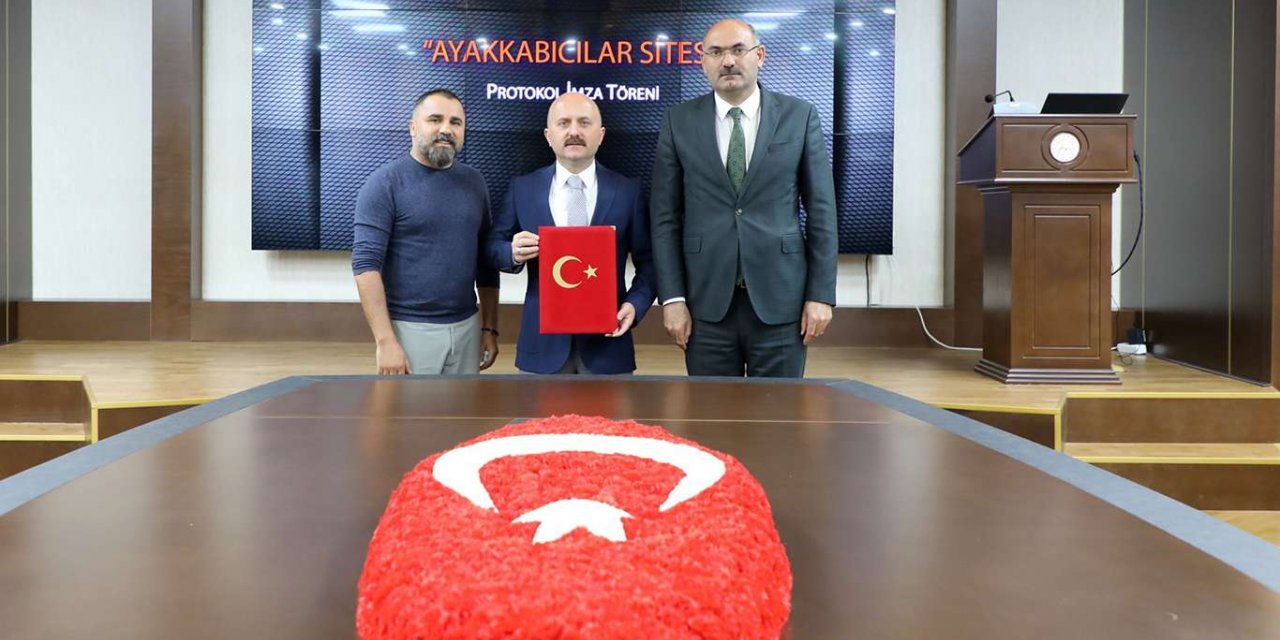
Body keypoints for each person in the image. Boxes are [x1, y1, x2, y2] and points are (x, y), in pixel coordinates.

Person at [650, 19, 837, 378]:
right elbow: (664, 217)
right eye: (716, 52)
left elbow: (822, 212)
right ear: (703, 61)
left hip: (782, 302)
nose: (728, 61)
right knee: (711, 409)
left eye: (738, 50)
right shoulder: (678, 121)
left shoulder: (799, 116)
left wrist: (821, 294)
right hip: (705, 305)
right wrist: (672, 299)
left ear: (759, 55)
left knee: (779, 410)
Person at [486, 92, 656, 374]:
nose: (574, 131)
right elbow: (491, 248)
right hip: (541, 349)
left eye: (584, 123)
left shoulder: (628, 191)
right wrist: (511, 252)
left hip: (609, 347)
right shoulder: (522, 189)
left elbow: (650, 264)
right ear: (548, 135)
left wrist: (635, 305)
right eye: (563, 123)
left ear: (601, 135)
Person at [352, 88, 499, 375]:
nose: (446, 129)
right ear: (412, 127)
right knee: (412, 407)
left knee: (465, 407)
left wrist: (489, 327)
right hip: (409, 331)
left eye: (455, 122)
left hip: (468, 328)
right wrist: (385, 341)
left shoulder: (475, 182)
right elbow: (365, 266)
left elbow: (486, 263)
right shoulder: (383, 184)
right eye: (435, 119)